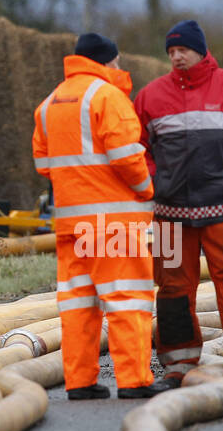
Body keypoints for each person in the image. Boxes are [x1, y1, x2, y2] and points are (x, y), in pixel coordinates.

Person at [133, 20, 223, 394]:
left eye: (182, 49)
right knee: (171, 290)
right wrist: (155, 183)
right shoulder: (150, 96)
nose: (176, 56)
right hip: (169, 215)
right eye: (170, 52)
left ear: (200, 50)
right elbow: (136, 150)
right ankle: (177, 365)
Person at [32, 32, 163, 399]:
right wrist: (146, 189)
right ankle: (134, 380)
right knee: (127, 300)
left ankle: (80, 382)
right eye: (117, 62)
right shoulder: (108, 97)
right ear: (107, 62)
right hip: (113, 224)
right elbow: (126, 157)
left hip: (70, 225)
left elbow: (44, 165)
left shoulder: (49, 103)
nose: (120, 68)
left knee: (78, 304)